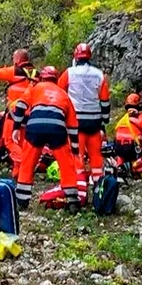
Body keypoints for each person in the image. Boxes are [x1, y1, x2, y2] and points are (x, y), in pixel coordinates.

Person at [11, 66, 82, 212]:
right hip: (57, 128)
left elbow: (20, 104)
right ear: (56, 80)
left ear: (42, 77)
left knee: (27, 163)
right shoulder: (63, 94)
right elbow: (73, 126)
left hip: (35, 126)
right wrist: (74, 149)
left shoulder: (36, 87)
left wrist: (16, 127)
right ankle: (72, 200)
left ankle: (22, 201)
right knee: (66, 164)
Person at [59, 42, 110, 197]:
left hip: (76, 121)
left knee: (77, 154)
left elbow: (59, 92)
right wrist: (105, 119)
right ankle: (98, 187)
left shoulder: (69, 72)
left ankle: (80, 187)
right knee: (96, 155)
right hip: (94, 121)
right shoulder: (98, 74)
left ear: (76, 56)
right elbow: (105, 100)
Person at [0, 47, 38, 176]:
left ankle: (23, 166)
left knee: (10, 141)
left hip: (15, 114)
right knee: (22, 143)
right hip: (31, 114)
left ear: (17, 60)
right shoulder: (36, 74)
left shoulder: (15, 71)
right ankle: (18, 172)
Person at [112, 94, 142, 165]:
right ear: (139, 105)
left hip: (119, 149)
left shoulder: (123, 119)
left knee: (121, 157)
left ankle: (120, 169)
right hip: (132, 149)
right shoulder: (140, 118)